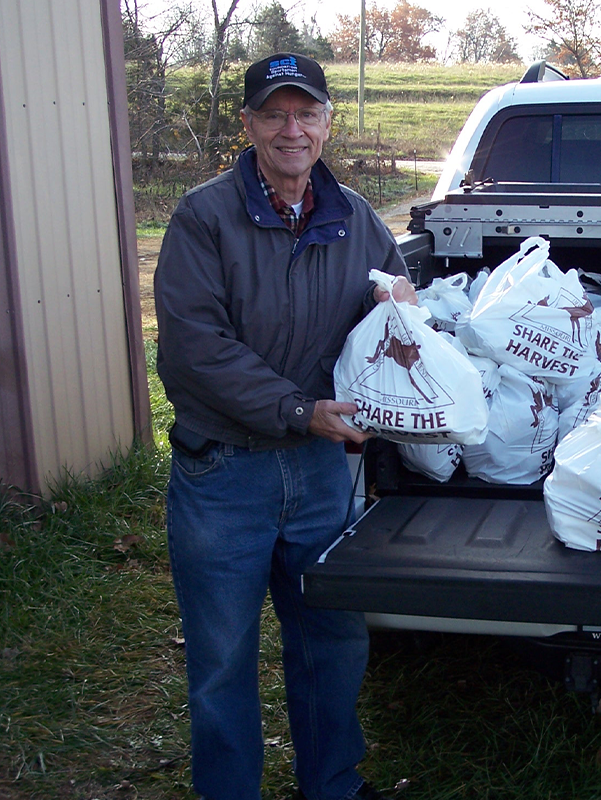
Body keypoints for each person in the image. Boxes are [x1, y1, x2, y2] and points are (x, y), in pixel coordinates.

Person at [154, 52, 414, 800]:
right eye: (275, 113)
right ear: (249, 125)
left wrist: (404, 309)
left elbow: (387, 319)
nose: (291, 129)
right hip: (223, 473)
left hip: (318, 469)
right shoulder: (204, 217)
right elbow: (196, 351)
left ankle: (331, 783)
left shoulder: (355, 218)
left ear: (328, 123)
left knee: (330, 640)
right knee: (224, 656)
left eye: (306, 113)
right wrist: (303, 410)